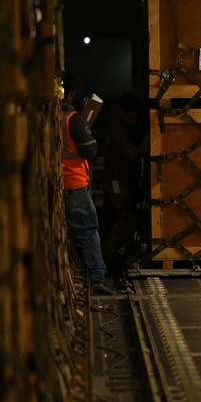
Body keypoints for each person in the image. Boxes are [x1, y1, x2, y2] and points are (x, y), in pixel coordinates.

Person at [61, 75, 115, 295]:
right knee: (88, 232)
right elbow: (90, 151)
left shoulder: (40, 117)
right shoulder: (73, 119)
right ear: (71, 94)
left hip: (51, 188)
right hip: (73, 186)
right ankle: (97, 278)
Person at [100, 91, 149, 270]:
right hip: (115, 178)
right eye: (130, 118)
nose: (133, 121)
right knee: (127, 219)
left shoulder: (129, 122)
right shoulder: (116, 126)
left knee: (112, 217)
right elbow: (131, 153)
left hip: (126, 178)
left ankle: (111, 254)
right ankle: (104, 257)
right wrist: (148, 146)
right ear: (121, 111)